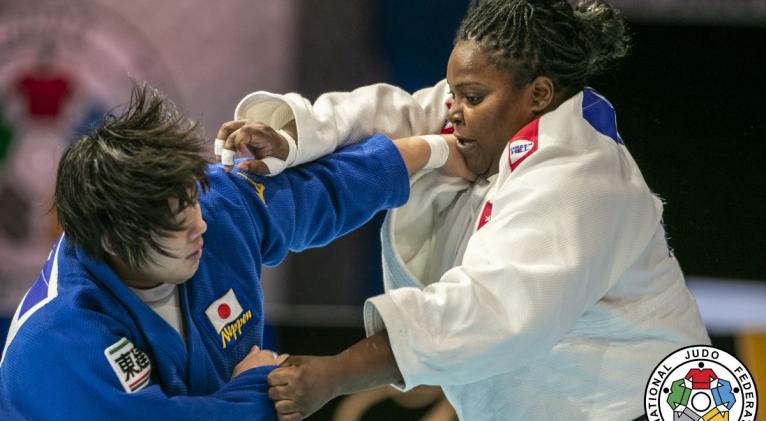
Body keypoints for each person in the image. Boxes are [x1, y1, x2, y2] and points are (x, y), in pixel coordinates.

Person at [221, 0, 710, 420]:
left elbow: (487, 310)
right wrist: (288, 136)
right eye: (454, 93)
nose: (452, 110)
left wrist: (337, 372)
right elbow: (388, 114)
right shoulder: (500, 115)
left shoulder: (581, 181)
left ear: (538, 94)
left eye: (470, 97)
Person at [0, 83, 470, 419]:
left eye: (193, 202)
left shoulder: (214, 211)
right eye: (177, 223)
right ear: (113, 240)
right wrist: (260, 389)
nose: (200, 225)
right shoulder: (53, 346)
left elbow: (325, 189)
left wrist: (437, 152)